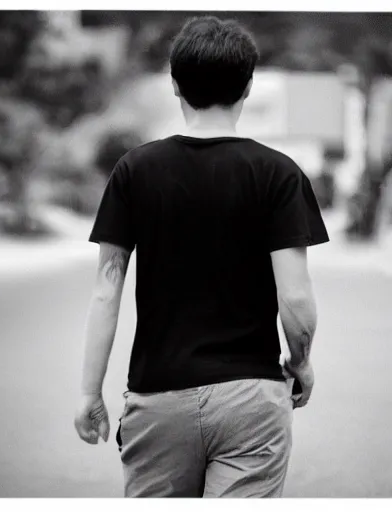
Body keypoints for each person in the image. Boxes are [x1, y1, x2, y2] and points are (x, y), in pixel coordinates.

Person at [74, 16, 329, 498]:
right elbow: (295, 296)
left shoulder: (135, 171)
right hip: (250, 398)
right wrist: (301, 362)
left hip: (157, 396)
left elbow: (106, 291)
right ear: (248, 86)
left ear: (174, 84)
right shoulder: (280, 174)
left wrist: (90, 391)